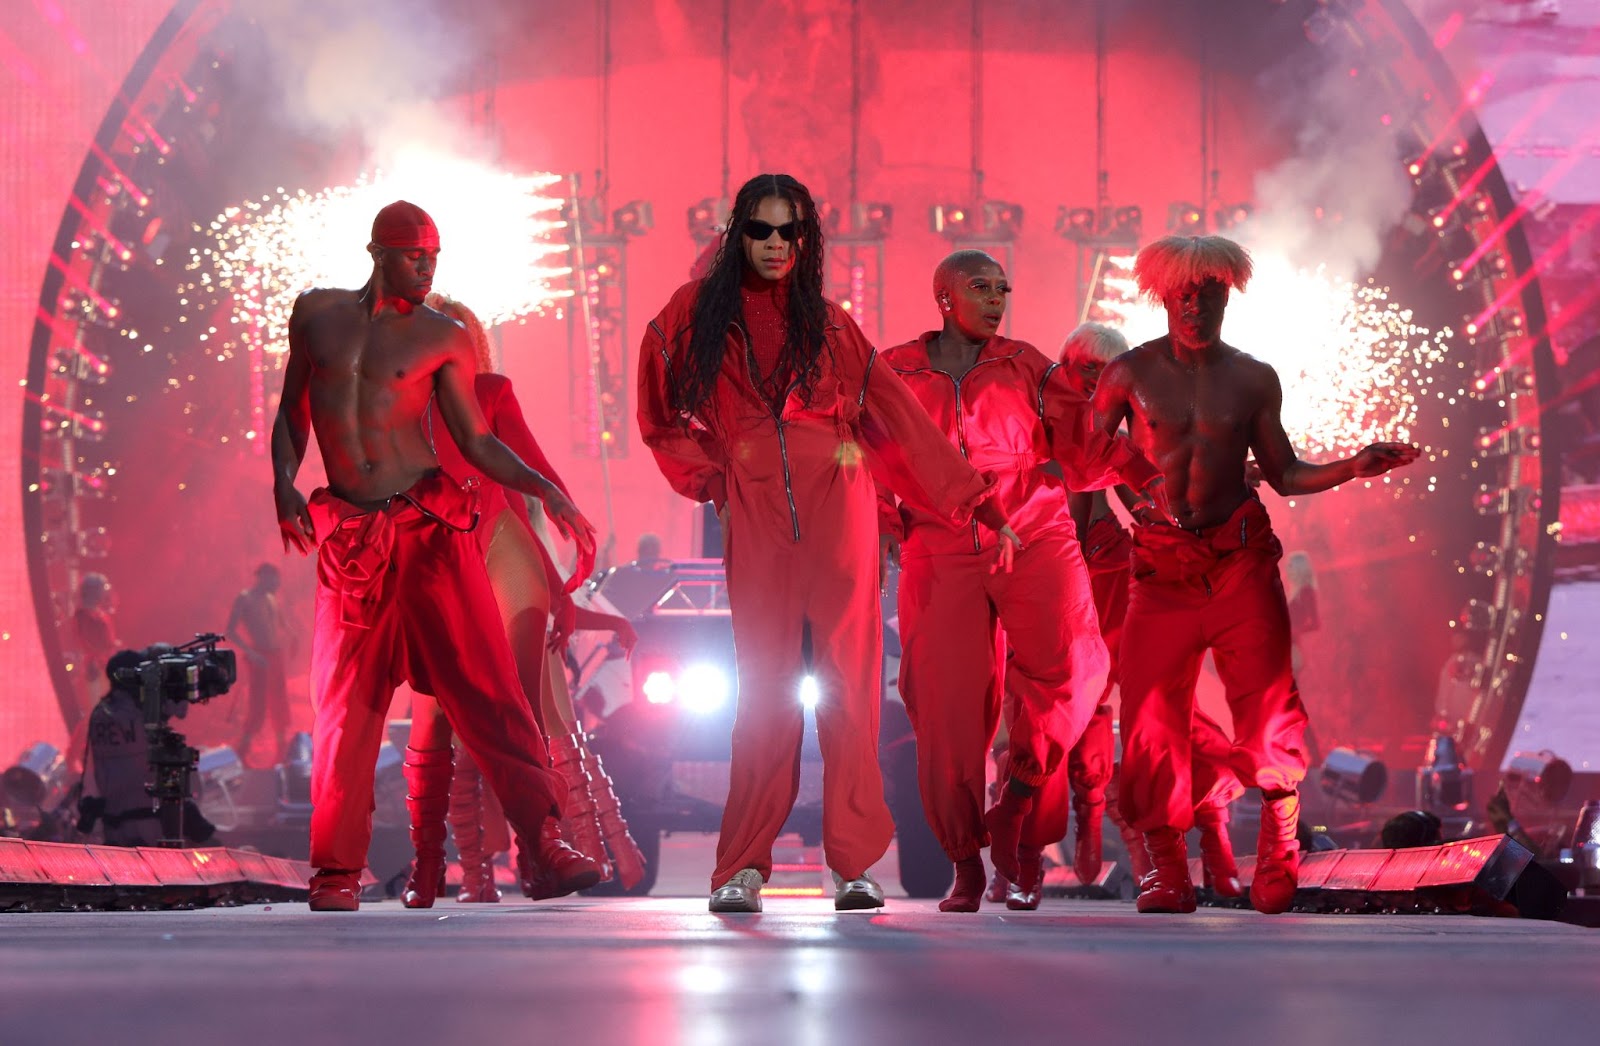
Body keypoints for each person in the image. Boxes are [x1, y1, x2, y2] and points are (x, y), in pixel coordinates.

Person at [638, 174, 1014, 913]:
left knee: (849, 691)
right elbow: (659, 413)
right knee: (764, 693)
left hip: (841, 513)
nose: (776, 246)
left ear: (805, 241)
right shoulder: (689, 317)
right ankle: (741, 867)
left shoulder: (833, 325)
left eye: (790, 233)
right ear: (738, 233)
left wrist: (976, 502)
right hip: (755, 513)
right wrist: (713, 476)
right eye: (762, 231)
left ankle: (854, 863)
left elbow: (901, 423)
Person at [270, 200, 600, 911]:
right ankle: (334, 873)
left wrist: (546, 491)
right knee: (344, 711)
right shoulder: (317, 316)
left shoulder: (444, 338)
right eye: (413, 252)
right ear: (377, 252)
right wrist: (282, 485)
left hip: (426, 529)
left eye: (434, 254)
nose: (426, 265)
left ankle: (542, 843)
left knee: (488, 689)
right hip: (351, 544)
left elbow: (478, 442)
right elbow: (291, 412)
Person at [1092, 234, 1419, 914]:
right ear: (1159, 293)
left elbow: (1284, 473)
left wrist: (1352, 466)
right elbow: (1088, 461)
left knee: (1268, 707)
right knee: (1150, 717)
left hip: (1239, 560)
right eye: (1182, 290)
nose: (1194, 302)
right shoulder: (1126, 373)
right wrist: (1138, 502)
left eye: (1208, 290)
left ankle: (1279, 844)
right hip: (1160, 570)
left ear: (1227, 293)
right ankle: (1166, 869)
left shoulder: (1252, 376)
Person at [877, 254, 1167, 913]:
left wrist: (1147, 479)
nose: (997, 296)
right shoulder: (896, 371)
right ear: (944, 295)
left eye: (1004, 287)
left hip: (1032, 529)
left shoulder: (1027, 366)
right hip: (938, 546)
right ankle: (965, 864)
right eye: (981, 286)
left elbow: (1084, 441)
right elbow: (868, 451)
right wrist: (886, 525)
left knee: (1079, 668)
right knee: (944, 714)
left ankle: (1016, 800)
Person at [1051, 323, 1244, 900]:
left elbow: (1145, 493)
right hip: (1055, 586)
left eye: (1104, 371)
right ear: (1066, 367)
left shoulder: (1128, 428)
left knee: (1165, 717)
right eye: (1084, 368)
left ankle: (1211, 838)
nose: (1093, 381)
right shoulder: (1046, 422)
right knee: (1068, 716)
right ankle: (1094, 823)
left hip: (1117, 585)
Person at [79, 649, 218, 848]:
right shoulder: (142, 712)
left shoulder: (100, 713)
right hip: (151, 822)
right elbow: (180, 710)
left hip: (114, 825)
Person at [226, 563, 292, 767]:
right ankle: (241, 753)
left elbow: (281, 624)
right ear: (262, 577)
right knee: (258, 706)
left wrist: (293, 636)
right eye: (273, 579)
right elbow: (230, 631)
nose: (276, 584)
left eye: (277, 580)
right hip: (259, 657)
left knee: (280, 703)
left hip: (275, 656)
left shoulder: (272, 599)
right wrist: (252, 653)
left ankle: (282, 752)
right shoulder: (245, 598)